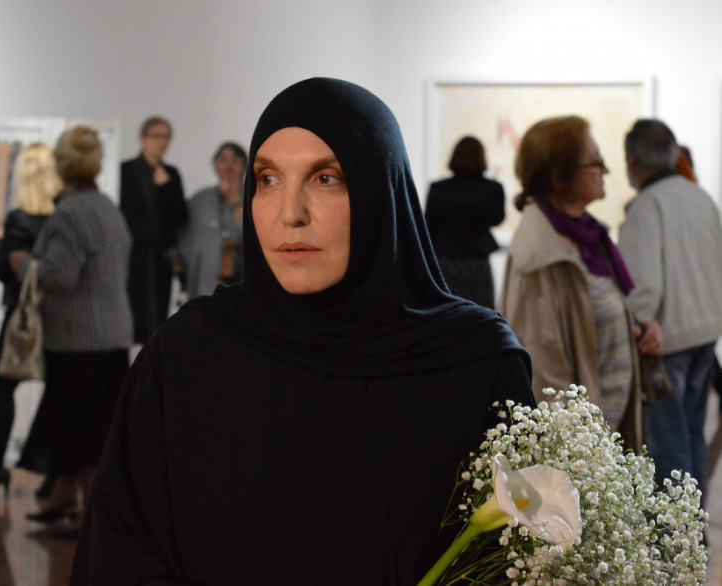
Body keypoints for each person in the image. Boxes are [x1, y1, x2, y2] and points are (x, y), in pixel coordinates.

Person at [70, 77, 533, 584]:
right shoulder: (187, 356)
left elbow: (520, 560)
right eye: (267, 179)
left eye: (326, 178)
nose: (289, 214)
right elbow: (120, 553)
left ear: (380, 190)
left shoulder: (474, 361)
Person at [11, 126, 133, 538]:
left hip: (78, 339)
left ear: (62, 166)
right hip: (111, 336)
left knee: (82, 429)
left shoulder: (69, 212)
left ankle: (91, 517)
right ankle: (65, 497)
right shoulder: (107, 207)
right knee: (92, 426)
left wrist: (22, 265)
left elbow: (60, 275)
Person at [500, 115, 644, 445]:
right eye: (594, 162)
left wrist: (632, 326)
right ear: (559, 177)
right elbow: (545, 375)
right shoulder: (539, 255)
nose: (604, 170)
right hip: (580, 449)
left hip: (606, 437)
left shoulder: (589, 239)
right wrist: (575, 455)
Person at [618, 119, 722, 495]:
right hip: (704, 333)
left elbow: (642, 285)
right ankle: (693, 526)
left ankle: (673, 530)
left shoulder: (647, 205)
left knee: (667, 448)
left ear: (631, 160)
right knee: (692, 435)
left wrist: (640, 323)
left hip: (664, 341)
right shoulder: (700, 196)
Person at [0, 142, 61, 502]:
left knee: (2, 386)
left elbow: (4, 270)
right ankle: (54, 473)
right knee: (57, 390)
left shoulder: (18, 219)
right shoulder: (61, 216)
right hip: (57, 315)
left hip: (21, 315)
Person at [119, 116, 189, 343]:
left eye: (166, 137)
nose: (162, 142)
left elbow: (180, 217)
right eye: (157, 136)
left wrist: (166, 187)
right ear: (142, 138)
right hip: (132, 257)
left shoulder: (171, 173)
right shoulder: (125, 171)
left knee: (158, 316)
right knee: (132, 312)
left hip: (161, 259)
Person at [424, 135, 505, 308]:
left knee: (448, 312)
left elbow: (428, 226)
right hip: (478, 261)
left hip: (445, 261)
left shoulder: (438, 189)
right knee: (481, 314)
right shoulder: (492, 189)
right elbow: (498, 219)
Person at [179, 141, 247, 298]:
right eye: (223, 159)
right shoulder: (200, 199)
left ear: (244, 165)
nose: (229, 165)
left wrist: (236, 202)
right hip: (203, 282)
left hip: (241, 282)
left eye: (235, 160)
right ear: (215, 164)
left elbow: (256, 236)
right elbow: (184, 239)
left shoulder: (254, 197)